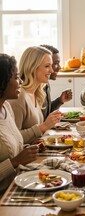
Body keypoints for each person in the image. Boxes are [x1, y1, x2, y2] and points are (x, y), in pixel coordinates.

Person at [0, 54, 39, 193]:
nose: (21, 81)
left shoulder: (6, 108)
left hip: (19, 182)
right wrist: (15, 161)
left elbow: (12, 147)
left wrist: (30, 149)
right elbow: (13, 159)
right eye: (16, 77)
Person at [8, 46, 62, 144]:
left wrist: (49, 123)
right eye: (47, 66)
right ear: (32, 67)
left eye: (51, 66)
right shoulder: (19, 96)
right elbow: (13, 139)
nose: (52, 70)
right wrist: (44, 126)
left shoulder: (37, 93)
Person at [40, 44, 72, 120]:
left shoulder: (45, 84)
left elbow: (46, 114)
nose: (60, 67)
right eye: (56, 63)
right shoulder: (32, 90)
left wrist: (60, 100)